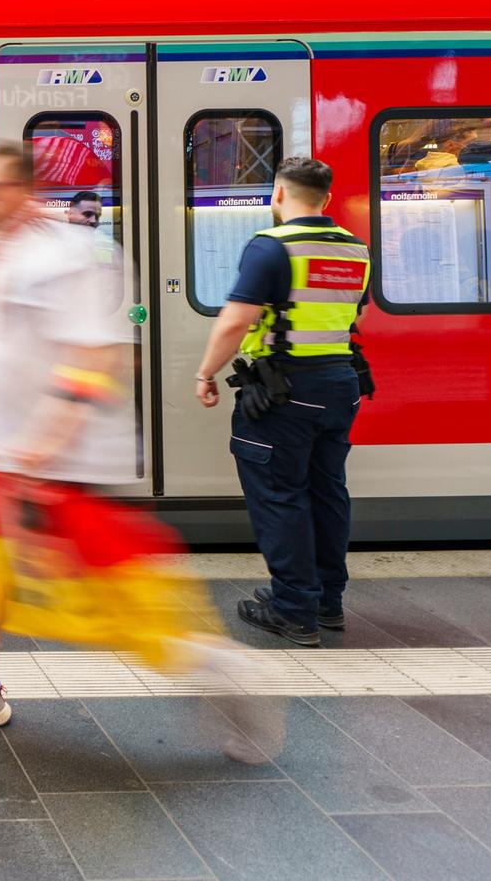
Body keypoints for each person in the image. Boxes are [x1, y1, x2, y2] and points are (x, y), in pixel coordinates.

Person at [0, 141, 277, 760]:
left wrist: (45, 445)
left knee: (112, 602)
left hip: (49, 466)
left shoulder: (69, 255)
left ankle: (222, 671)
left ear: (19, 190)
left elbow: (98, 355)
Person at [193, 157, 370, 647]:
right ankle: (326, 601)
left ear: (277, 195)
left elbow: (233, 321)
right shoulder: (357, 251)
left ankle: (293, 608)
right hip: (340, 386)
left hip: (284, 393)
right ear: (327, 199)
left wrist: (206, 373)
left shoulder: (273, 248)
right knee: (327, 492)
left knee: (280, 495)